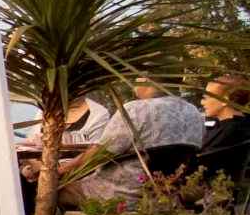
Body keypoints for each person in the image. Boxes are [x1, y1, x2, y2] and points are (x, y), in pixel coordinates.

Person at [60, 81, 204, 206]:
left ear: (146, 80)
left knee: (54, 190)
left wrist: (61, 170)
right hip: (168, 193)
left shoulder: (135, 110)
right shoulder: (193, 112)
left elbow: (100, 154)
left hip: (121, 193)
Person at [198, 76, 250, 183]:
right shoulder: (243, 125)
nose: (202, 102)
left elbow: (199, 165)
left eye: (207, 97)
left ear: (224, 100)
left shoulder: (228, 133)